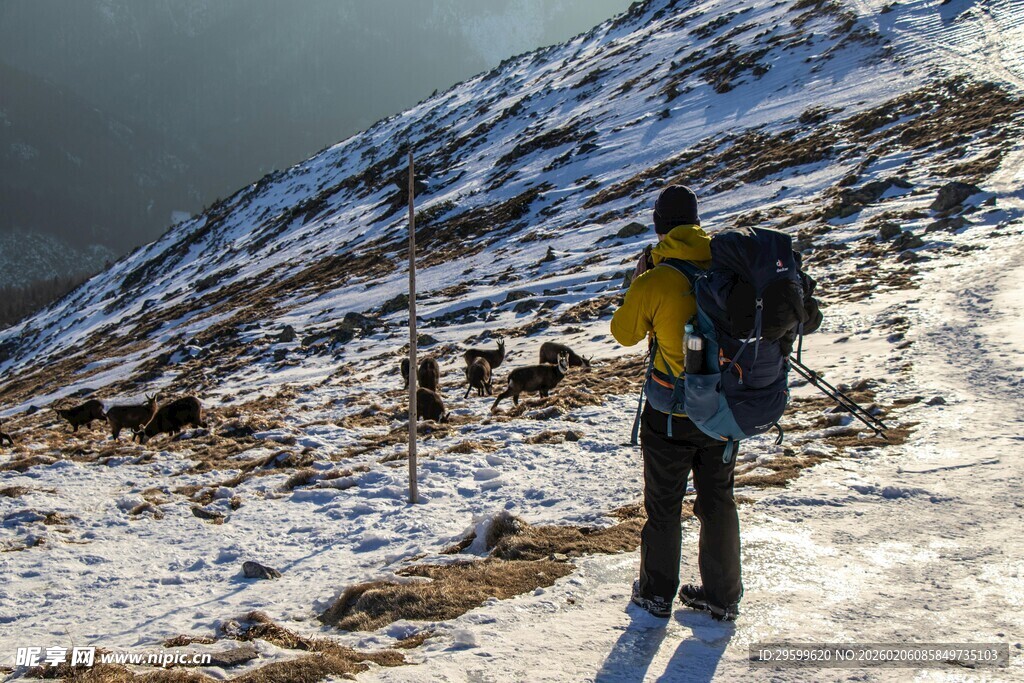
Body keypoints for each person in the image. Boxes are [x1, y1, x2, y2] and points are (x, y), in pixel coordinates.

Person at [610, 185, 742, 621]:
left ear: (658, 226)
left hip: (671, 413)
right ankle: (722, 597)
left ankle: (656, 593)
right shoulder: (727, 265)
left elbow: (623, 333)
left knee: (664, 506)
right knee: (718, 501)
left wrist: (639, 282)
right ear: (697, 221)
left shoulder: (656, 279)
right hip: (723, 410)